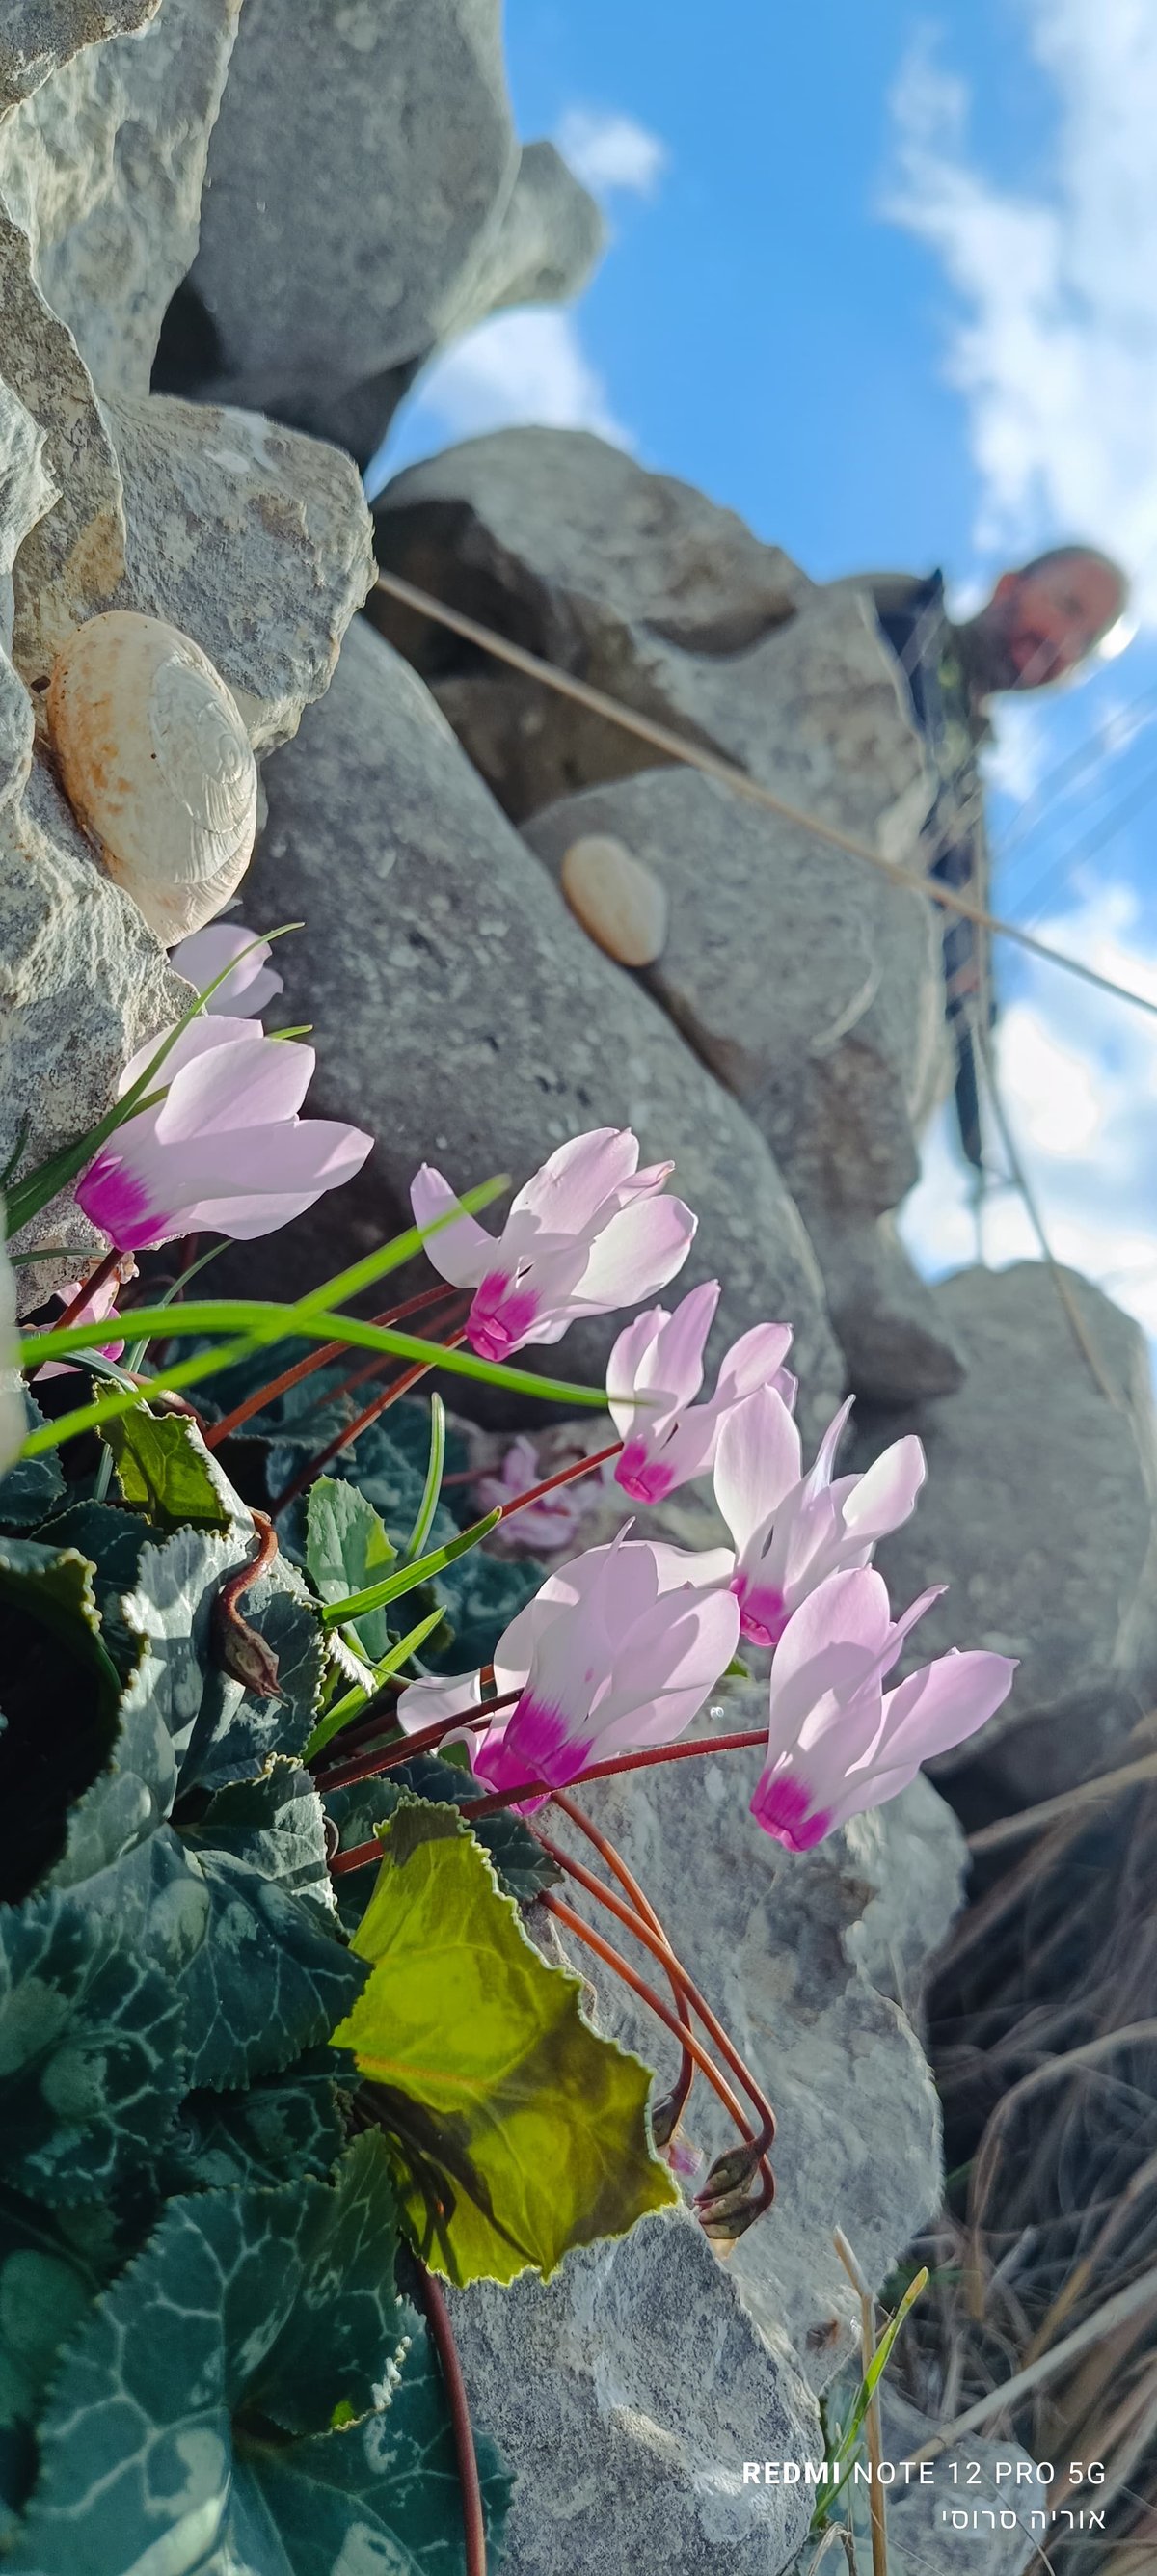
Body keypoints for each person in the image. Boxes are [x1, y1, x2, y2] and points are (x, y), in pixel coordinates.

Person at [834, 548, 1130, 1168]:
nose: (1064, 643)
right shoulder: (896, 606)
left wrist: (975, 1137)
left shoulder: (970, 791)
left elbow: (971, 969)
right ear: (1007, 585)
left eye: (1087, 642)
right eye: (1068, 606)